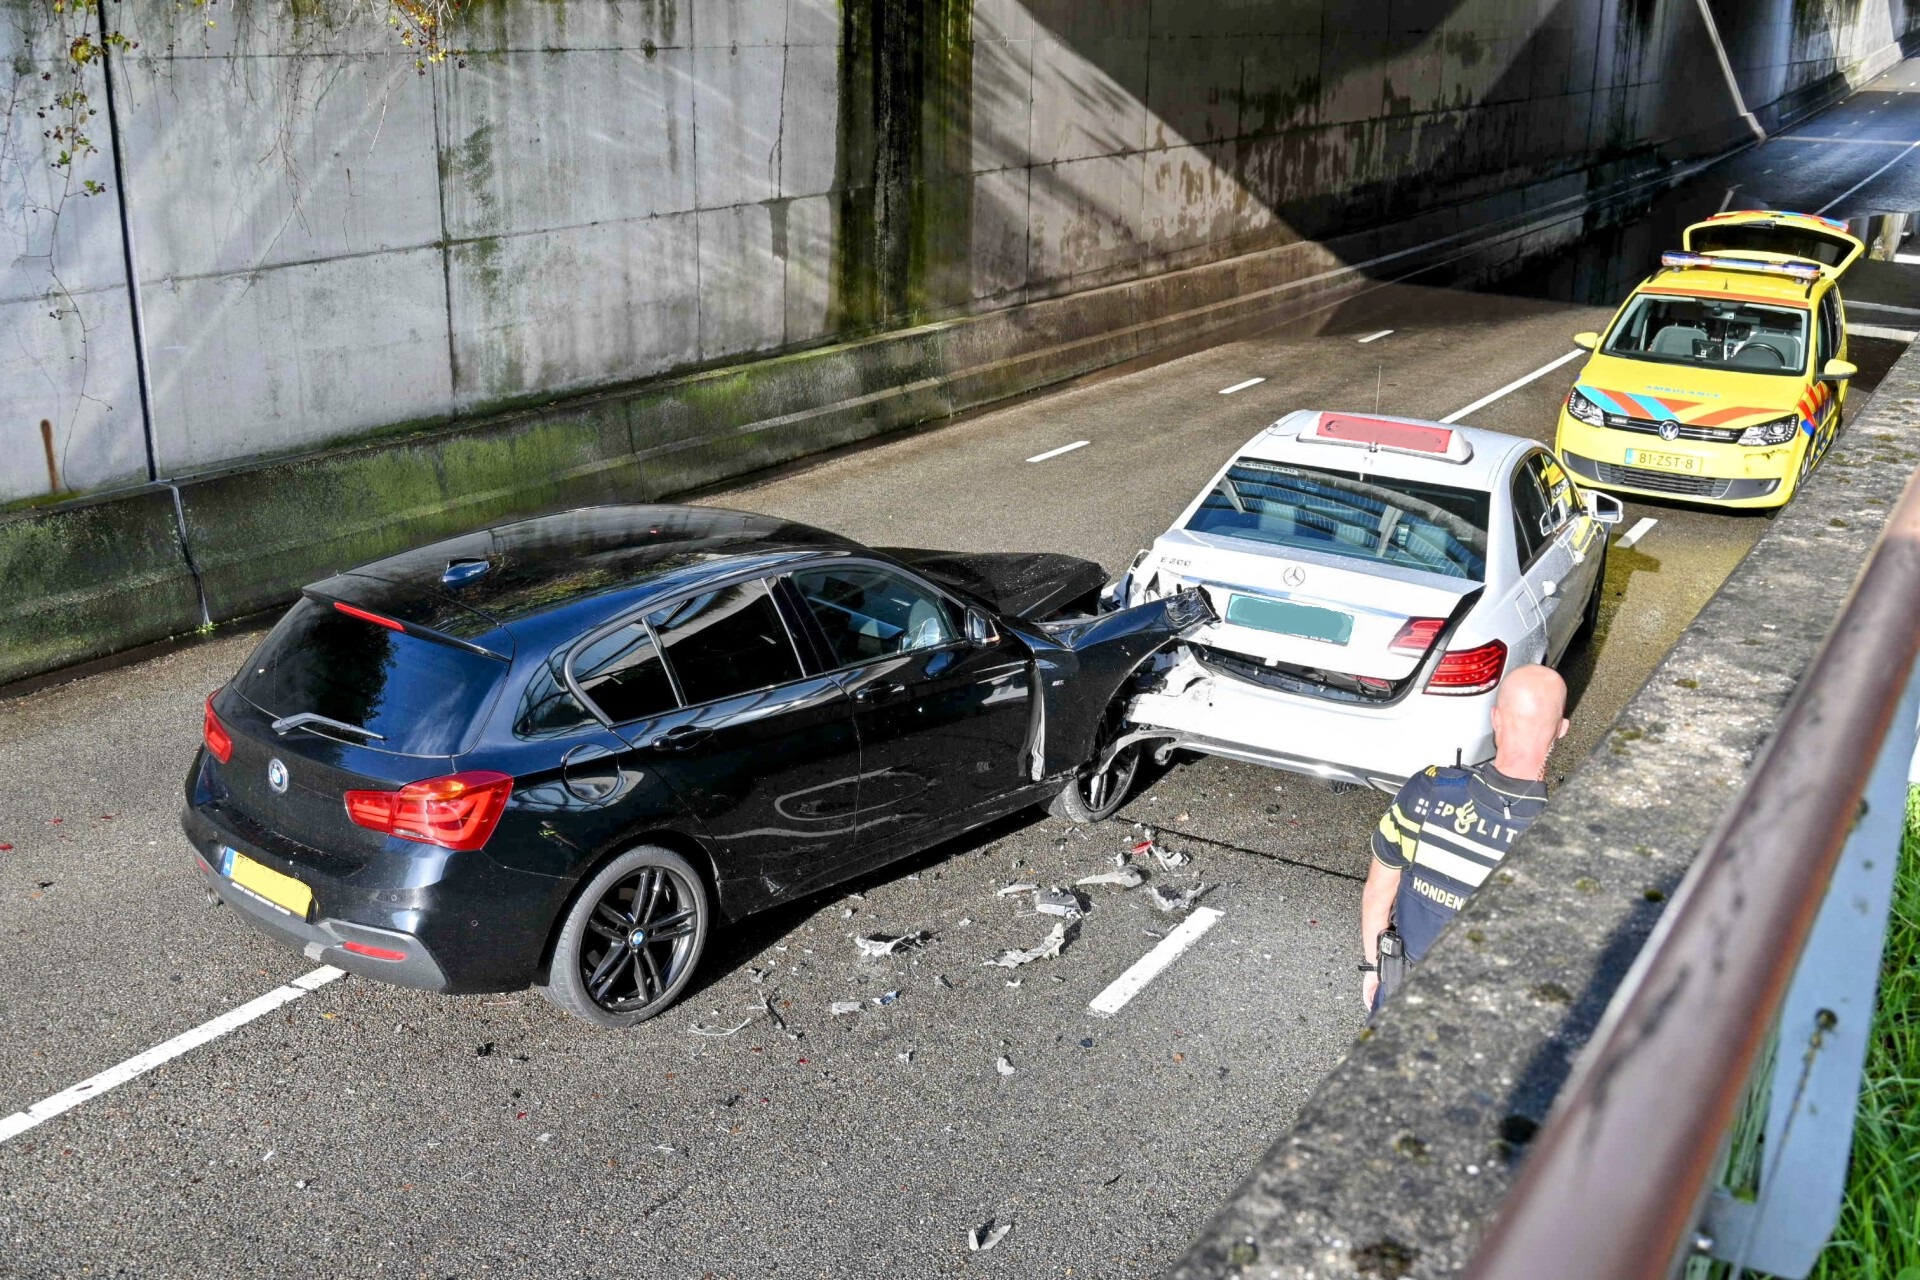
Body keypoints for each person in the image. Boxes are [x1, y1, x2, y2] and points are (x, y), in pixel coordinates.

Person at [1359, 664, 1569, 1011]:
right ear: (1561, 729)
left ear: (1496, 719)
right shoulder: (1561, 834)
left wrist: (1374, 969)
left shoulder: (1427, 791)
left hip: (1401, 1000)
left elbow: (1377, 893)